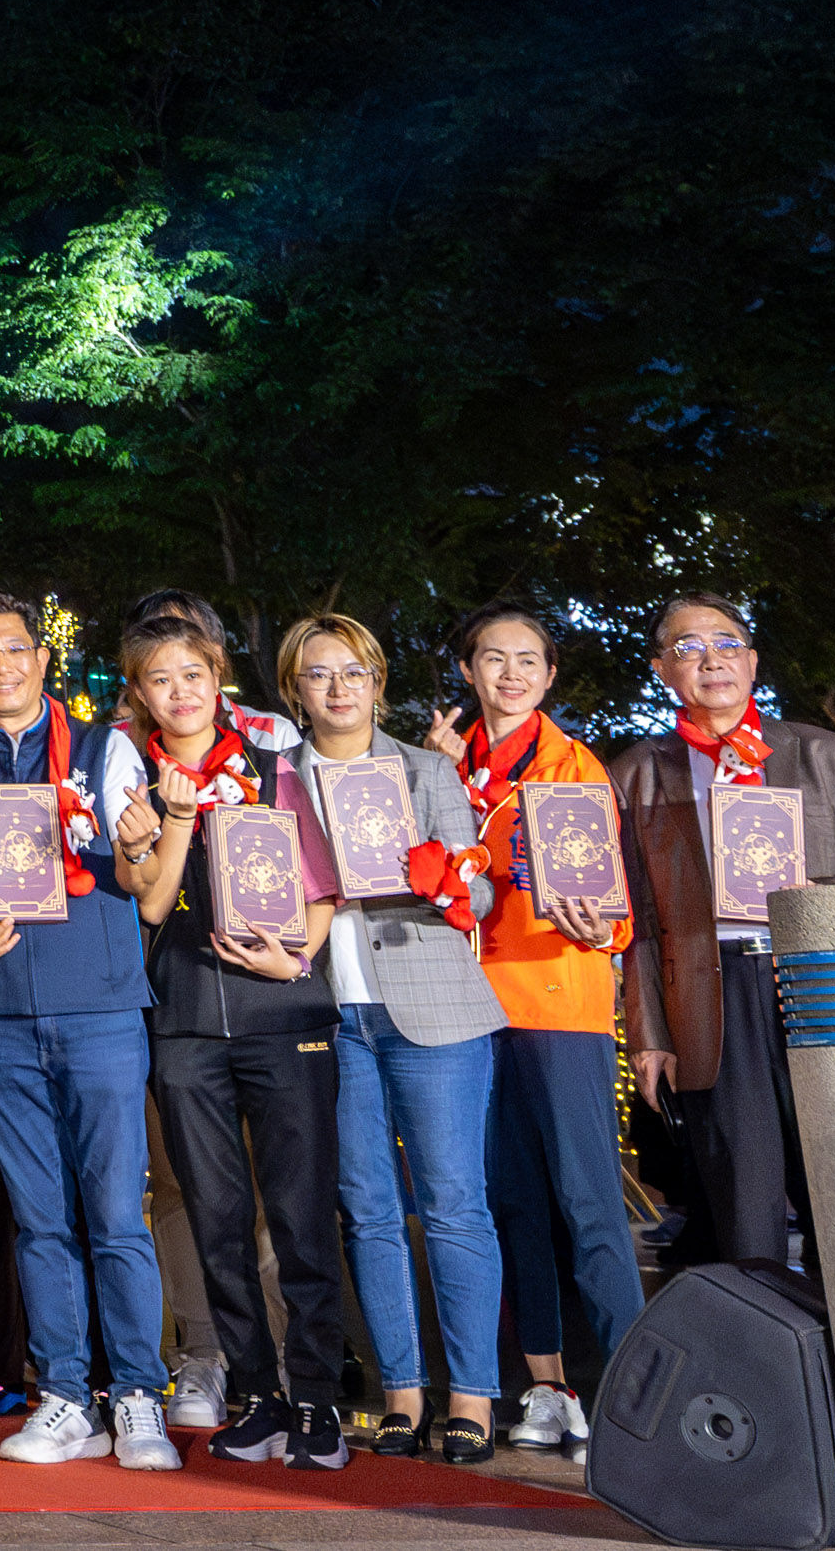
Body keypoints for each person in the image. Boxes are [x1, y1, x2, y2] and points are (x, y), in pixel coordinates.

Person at [0, 583, 174, 1471]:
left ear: (43, 659)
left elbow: (146, 881)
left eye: (14, 649)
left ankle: (139, 1394)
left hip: (103, 1008)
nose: (0, 666)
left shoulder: (108, 751)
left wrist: (148, 841)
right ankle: (66, 1393)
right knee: (40, 1222)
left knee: (116, 1214)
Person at [107, 601, 344, 1472]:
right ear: (140, 694)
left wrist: (297, 965)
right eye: (161, 680)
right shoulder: (135, 789)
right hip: (187, 1023)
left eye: (194, 676)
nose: (180, 692)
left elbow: (323, 892)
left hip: (286, 1017)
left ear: (218, 681)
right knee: (215, 1217)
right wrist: (172, 817)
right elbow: (154, 904)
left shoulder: (277, 770)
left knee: (301, 1211)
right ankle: (258, 1395)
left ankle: (319, 1400)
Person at [610, 593, 835, 1278]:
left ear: (751, 660)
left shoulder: (827, 755)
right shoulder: (637, 773)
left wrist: (815, 900)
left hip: (818, 987)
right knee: (743, 1203)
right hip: (713, 998)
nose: (710, 658)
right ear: (662, 669)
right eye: (687, 647)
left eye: (725, 642)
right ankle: (768, 1368)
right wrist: (650, 1034)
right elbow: (640, 922)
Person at [276, 611, 506, 1466]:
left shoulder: (427, 770)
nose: (338, 689)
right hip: (331, 1016)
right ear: (296, 690)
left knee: (453, 1208)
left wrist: (441, 877)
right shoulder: (280, 782)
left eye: (354, 673)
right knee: (368, 1212)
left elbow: (479, 895)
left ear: (378, 682)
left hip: (433, 1009)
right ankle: (402, 1392)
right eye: (318, 674)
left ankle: (474, 1395)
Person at [441, 603, 642, 1449]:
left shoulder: (573, 766)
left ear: (550, 675)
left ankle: (639, 1394)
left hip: (559, 1000)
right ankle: (548, 1386)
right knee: (510, 1203)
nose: (512, 674)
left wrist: (607, 927)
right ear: (467, 672)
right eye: (494, 659)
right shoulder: (440, 768)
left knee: (588, 1200)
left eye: (529, 660)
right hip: (466, 1006)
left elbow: (610, 905)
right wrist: (443, 783)